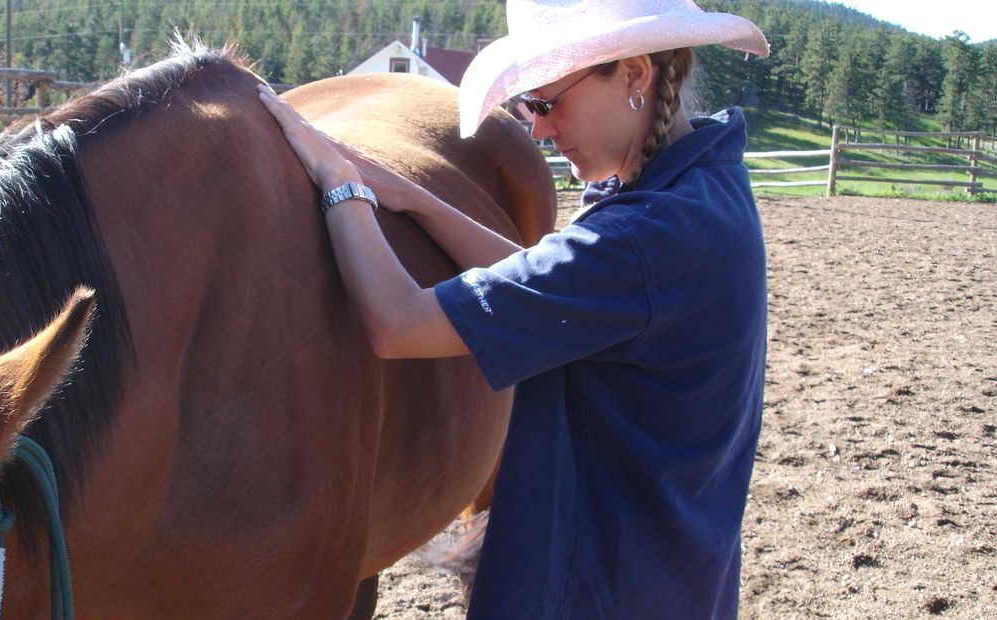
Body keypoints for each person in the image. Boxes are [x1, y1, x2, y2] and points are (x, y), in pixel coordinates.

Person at [257, 0, 771, 617]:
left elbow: (398, 324)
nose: (539, 130)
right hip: (672, 569)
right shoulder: (704, 188)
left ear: (635, 75)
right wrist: (412, 198)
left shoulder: (644, 239)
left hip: (593, 585)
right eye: (529, 107)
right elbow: (551, 286)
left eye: (549, 103)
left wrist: (342, 183)